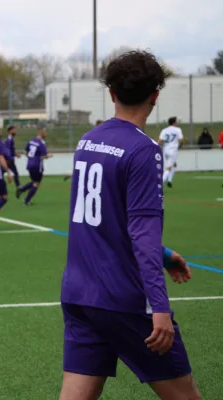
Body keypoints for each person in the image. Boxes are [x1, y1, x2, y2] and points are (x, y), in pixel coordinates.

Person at [59, 50, 199, 400]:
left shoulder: (87, 142)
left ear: (111, 94)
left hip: (79, 295)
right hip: (123, 299)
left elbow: (104, 220)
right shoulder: (142, 150)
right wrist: (161, 309)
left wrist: (166, 255)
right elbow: (141, 235)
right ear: (155, 96)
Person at [16, 127, 53, 205]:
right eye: (45, 132)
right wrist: (49, 155)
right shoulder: (41, 143)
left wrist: (31, 159)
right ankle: (26, 200)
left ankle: (22, 189)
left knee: (33, 181)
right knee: (36, 183)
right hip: (37, 165)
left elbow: (25, 152)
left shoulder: (31, 141)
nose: (46, 133)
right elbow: (43, 156)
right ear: (41, 132)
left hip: (29, 164)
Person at [158, 117, 184, 188]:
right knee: (168, 168)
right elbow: (181, 140)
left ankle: (169, 180)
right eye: (176, 121)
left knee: (174, 164)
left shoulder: (164, 130)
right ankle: (159, 185)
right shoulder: (177, 130)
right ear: (174, 123)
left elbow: (160, 141)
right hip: (173, 150)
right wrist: (180, 146)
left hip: (166, 150)